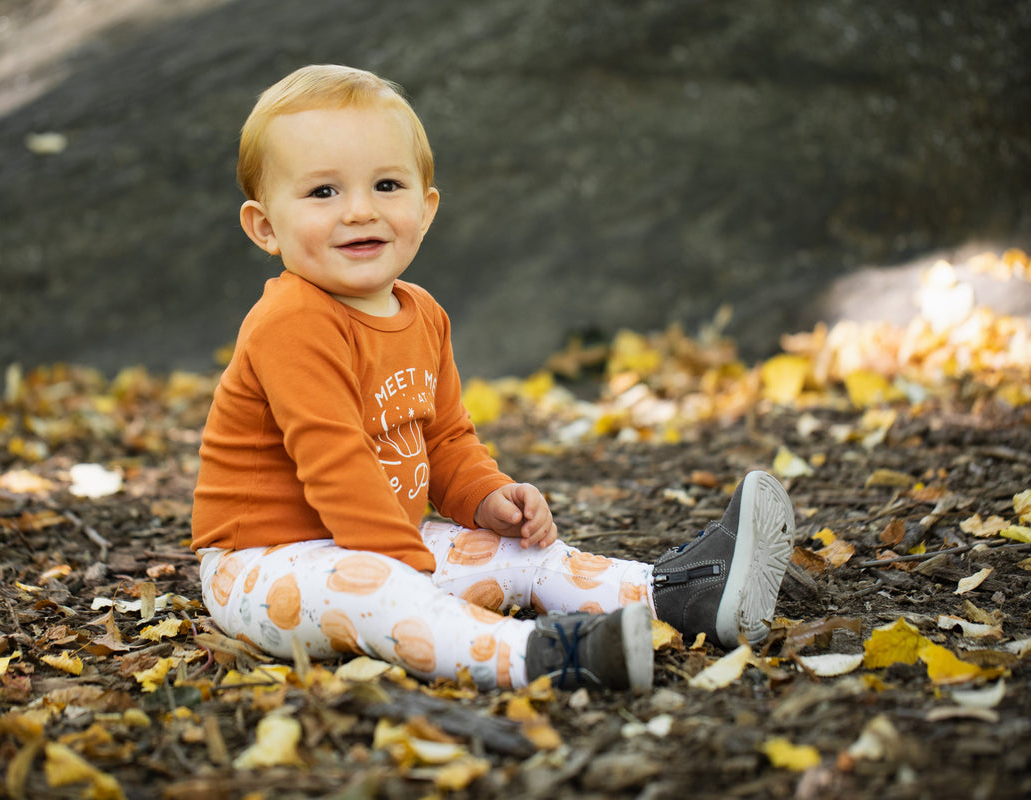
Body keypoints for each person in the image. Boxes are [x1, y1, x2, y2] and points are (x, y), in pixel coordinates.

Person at [191, 64, 796, 692]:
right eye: (323, 193)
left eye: (387, 185)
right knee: (380, 594)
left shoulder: (422, 314)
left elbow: (446, 437)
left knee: (524, 554)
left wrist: (486, 497)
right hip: (265, 565)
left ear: (425, 210)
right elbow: (334, 458)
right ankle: (539, 656)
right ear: (265, 227)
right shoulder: (290, 322)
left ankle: (676, 596)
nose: (360, 211)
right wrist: (403, 566)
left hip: (383, 539)